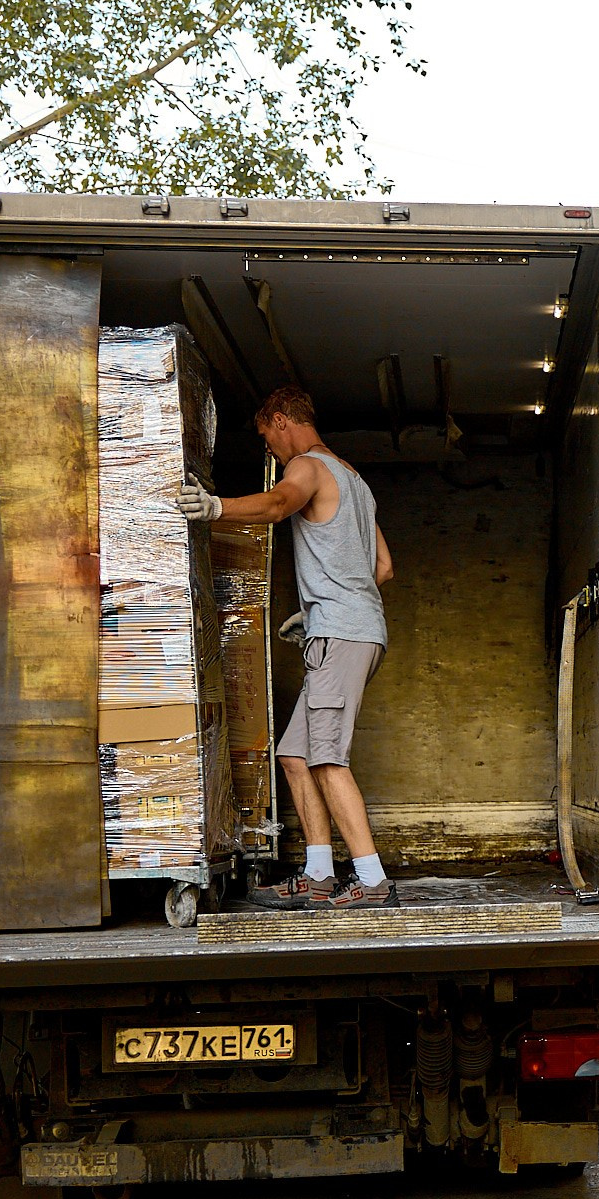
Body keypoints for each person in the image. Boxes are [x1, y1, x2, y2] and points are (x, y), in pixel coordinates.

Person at [179, 385, 399, 910]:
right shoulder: (356, 481)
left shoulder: (308, 465)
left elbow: (279, 504)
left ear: (281, 421)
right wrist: (328, 600)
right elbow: (384, 568)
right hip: (350, 628)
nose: (272, 454)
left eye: (267, 440)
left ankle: (373, 881)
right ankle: (319, 874)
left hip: (342, 634)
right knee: (296, 755)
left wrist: (216, 508)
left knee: (326, 758)